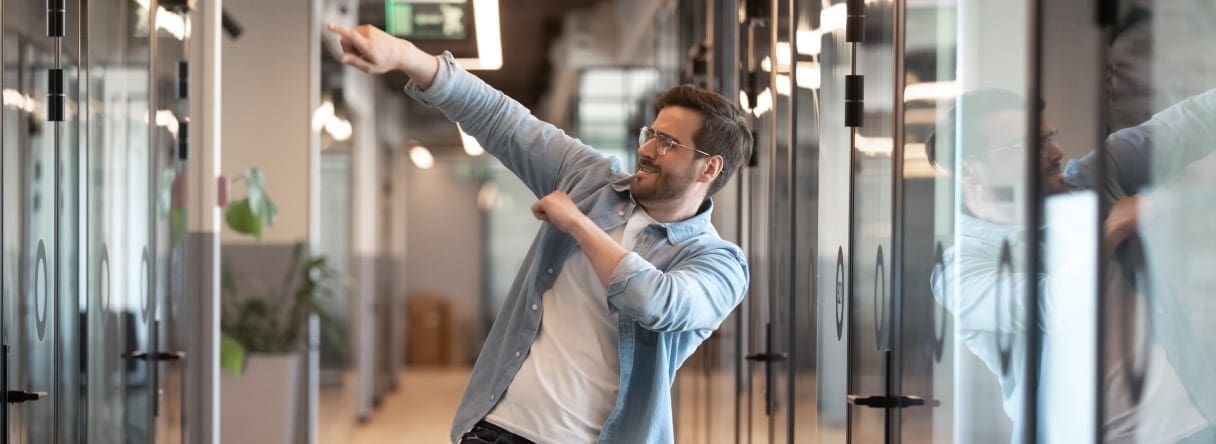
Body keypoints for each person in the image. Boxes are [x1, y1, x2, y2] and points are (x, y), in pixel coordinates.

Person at [328, 24, 753, 443]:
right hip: (496, 429)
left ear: (709, 167)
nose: (645, 149)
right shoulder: (590, 180)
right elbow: (504, 121)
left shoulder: (718, 262)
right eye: (651, 134)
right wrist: (405, 56)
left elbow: (657, 302)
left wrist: (578, 225)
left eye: (667, 143)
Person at [928, 88, 1216, 443]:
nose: (1055, 153)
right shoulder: (960, 271)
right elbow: (1053, 305)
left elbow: (1195, 121)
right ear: (971, 169)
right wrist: (1112, 231)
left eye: (1048, 136)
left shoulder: (1096, 179)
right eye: (1027, 145)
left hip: (1196, 426)